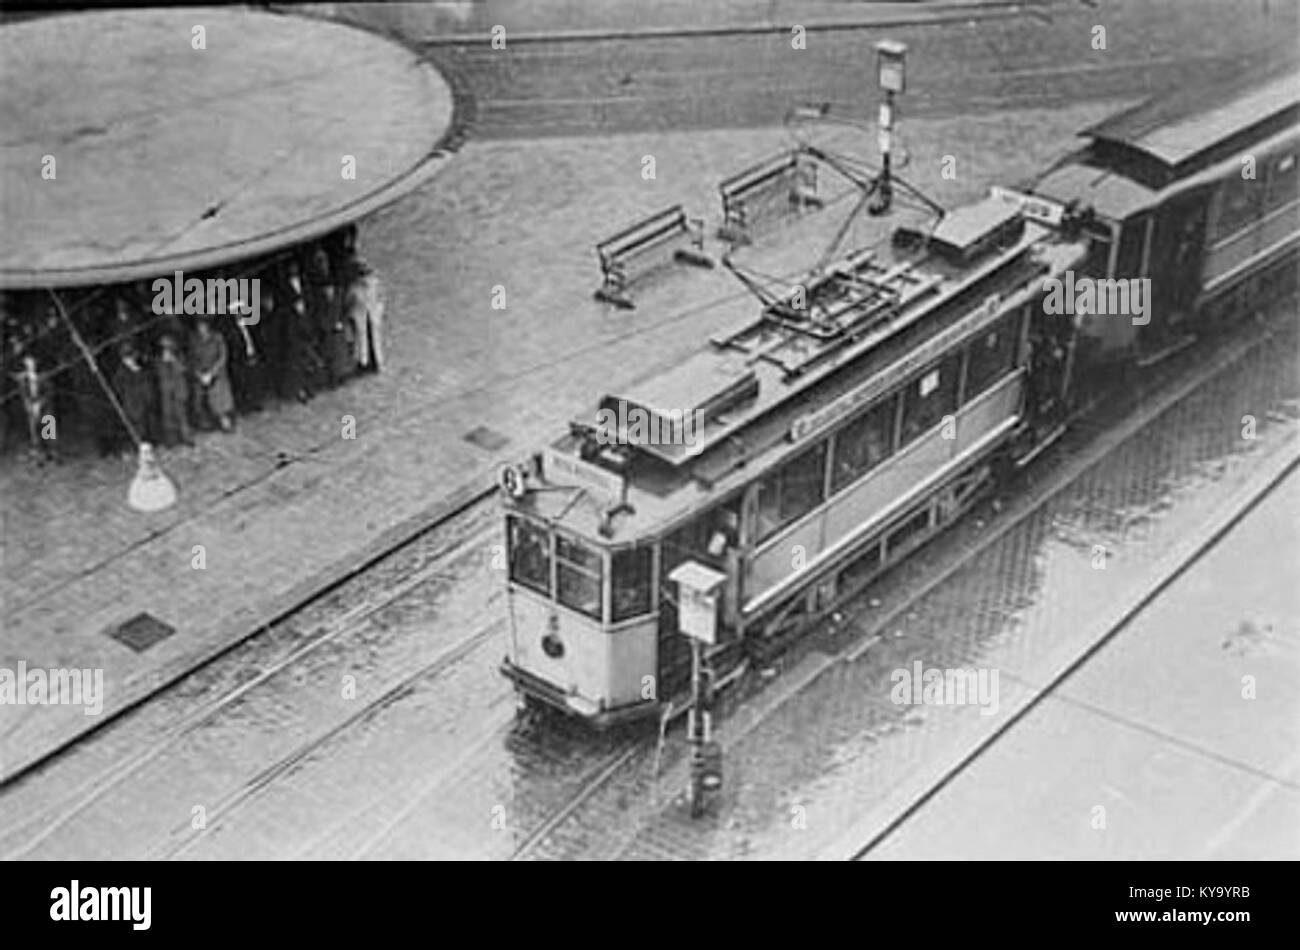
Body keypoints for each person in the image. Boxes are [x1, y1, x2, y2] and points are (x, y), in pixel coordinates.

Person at [11, 349, 58, 463]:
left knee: (48, 429)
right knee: (34, 431)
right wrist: (28, 405)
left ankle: (52, 453)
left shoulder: (44, 376)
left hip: (45, 406)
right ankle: (39, 455)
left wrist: (40, 404)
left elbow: (50, 392)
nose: (30, 365)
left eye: (32, 362)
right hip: (31, 406)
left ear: (36, 363)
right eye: (27, 363)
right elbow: (23, 394)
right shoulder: (23, 379)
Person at [190, 318, 235, 431]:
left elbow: (223, 357)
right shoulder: (194, 340)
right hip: (201, 373)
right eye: (199, 326)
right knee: (198, 397)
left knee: (219, 397)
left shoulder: (217, 338)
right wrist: (199, 374)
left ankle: (225, 421)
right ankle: (205, 422)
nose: (201, 329)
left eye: (203, 326)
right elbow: (191, 359)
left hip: (216, 372)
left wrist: (212, 372)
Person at [111, 340, 155, 453]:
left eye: (131, 357)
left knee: (144, 423)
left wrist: (147, 397)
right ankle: (134, 446)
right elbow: (118, 387)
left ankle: (145, 444)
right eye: (127, 358)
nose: (130, 360)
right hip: (130, 402)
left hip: (142, 401)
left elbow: (147, 383)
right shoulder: (121, 373)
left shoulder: (140, 368)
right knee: (133, 424)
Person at [345, 259, 386, 373]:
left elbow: (380, 298)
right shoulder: (354, 287)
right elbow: (349, 302)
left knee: (375, 339)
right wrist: (352, 314)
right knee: (361, 340)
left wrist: (379, 311)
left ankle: (376, 362)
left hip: (372, 316)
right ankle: (363, 363)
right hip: (360, 317)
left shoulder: (374, 284)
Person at [155, 333, 193, 447]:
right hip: (166, 390)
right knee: (168, 414)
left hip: (178, 389)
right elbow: (159, 373)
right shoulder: (158, 360)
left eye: (168, 347)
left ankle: (186, 437)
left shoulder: (179, 357)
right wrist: (164, 361)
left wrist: (173, 361)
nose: (166, 350)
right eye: (164, 348)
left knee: (181, 414)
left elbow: (183, 369)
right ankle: (171, 439)